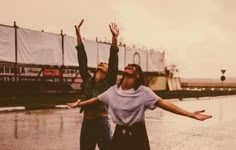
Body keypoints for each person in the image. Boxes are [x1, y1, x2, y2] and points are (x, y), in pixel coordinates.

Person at [67, 64, 212, 150]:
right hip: (119, 134)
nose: (129, 66)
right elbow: (95, 99)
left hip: (137, 135)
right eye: (128, 65)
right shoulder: (113, 91)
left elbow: (165, 104)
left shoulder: (143, 92)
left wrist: (190, 114)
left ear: (137, 75)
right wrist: (79, 104)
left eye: (133, 67)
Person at [73, 19, 119, 150]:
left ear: (108, 71)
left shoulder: (109, 82)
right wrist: (78, 37)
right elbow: (82, 58)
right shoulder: (88, 79)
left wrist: (114, 38)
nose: (102, 62)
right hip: (87, 123)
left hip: (101, 123)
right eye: (101, 63)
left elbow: (113, 59)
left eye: (105, 64)